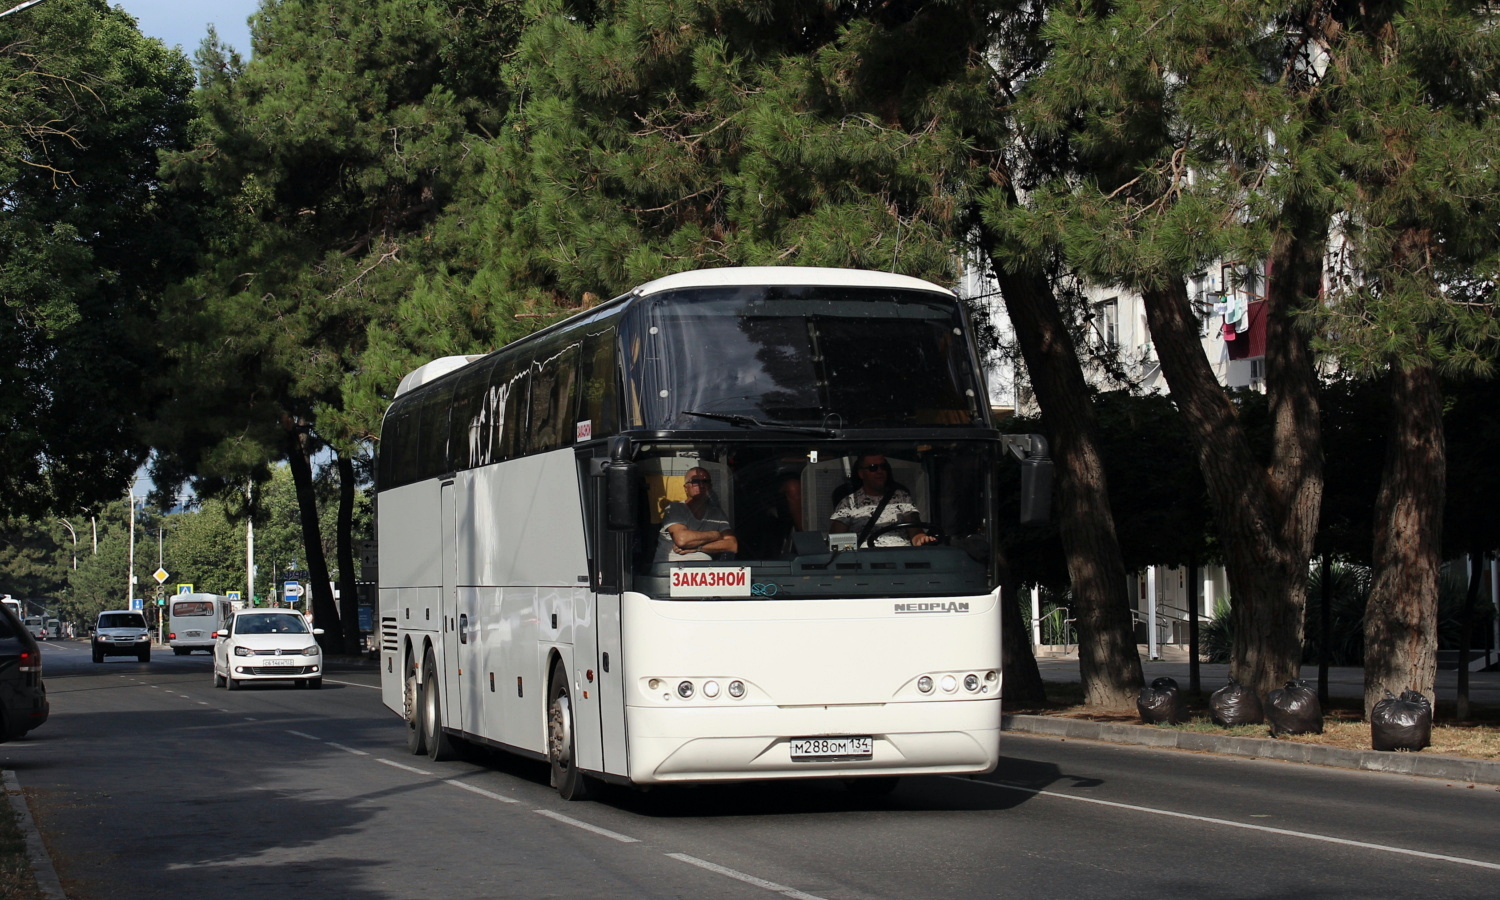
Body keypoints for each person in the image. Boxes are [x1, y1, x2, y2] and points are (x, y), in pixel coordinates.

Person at [828, 454, 935, 547]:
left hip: (901, 557)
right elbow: (836, 541)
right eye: (873, 468)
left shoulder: (902, 497)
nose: (880, 471)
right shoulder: (848, 503)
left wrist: (921, 539)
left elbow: (916, 532)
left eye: (883, 467)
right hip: (865, 561)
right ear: (861, 473)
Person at [656, 467, 738, 563]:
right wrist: (716, 535)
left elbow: (732, 545)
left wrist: (698, 548)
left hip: (706, 572)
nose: (701, 485)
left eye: (705, 481)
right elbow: (682, 539)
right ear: (686, 488)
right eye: (695, 481)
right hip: (671, 571)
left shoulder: (717, 514)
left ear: (710, 486)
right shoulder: (675, 508)